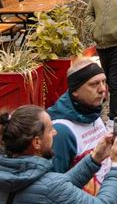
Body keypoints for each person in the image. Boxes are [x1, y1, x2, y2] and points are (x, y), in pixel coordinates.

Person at [0, 105, 117, 204]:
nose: (54, 133)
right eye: (50, 129)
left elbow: (58, 187)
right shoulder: (49, 189)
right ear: (37, 142)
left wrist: (94, 159)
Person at [48, 59, 112, 195]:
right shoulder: (60, 131)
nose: (102, 89)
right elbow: (54, 187)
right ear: (75, 91)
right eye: (94, 84)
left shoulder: (93, 113)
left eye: (103, 82)